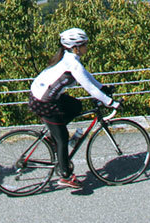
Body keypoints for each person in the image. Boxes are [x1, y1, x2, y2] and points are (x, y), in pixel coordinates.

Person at [28, 27, 119, 190]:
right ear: (75, 47)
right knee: (62, 138)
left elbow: (88, 77)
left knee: (76, 106)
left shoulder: (70, 58)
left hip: (43, 95)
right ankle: (65, 176)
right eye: (84, 44)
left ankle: (53, 137)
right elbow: (89, 89)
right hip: (43, 101)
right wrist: (110, 103)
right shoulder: (72, 63)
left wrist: (103, 88)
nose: (87, 47)